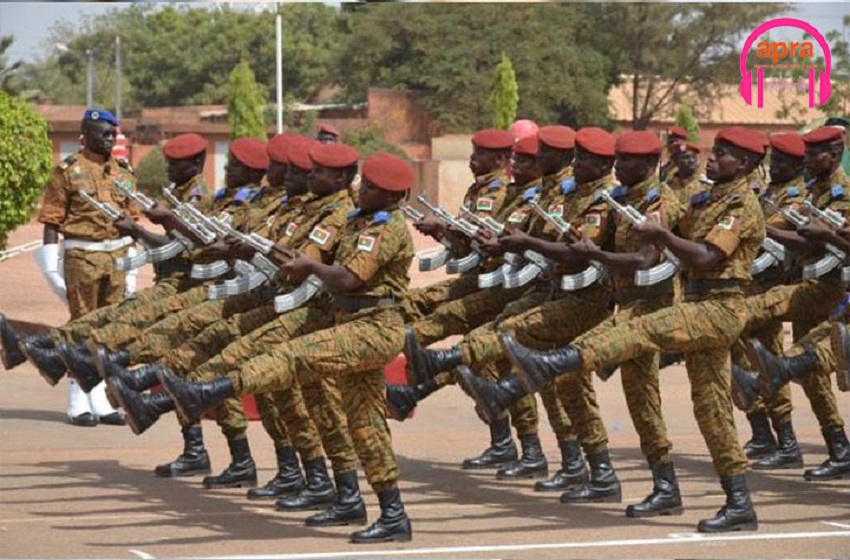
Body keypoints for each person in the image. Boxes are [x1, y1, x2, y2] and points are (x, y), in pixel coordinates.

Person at [118, 151, 417, 543]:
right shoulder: (355, 219)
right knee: (365, 426)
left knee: (293, 356)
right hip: (346, 319)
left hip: (374, 326)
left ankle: (209, 391)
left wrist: (311, 267)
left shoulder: (387, 227)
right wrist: (257, 251)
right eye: (366, 183)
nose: (364, 190)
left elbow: (347, 279)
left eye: (373, 188)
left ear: (393, 196)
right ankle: (386, 513)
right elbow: (306, 255)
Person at [485, 126, 766, 532]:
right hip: (693, 301)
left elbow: (705, 257)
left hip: (721, 306)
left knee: (640, 330)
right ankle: (724, 501)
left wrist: (661, 235)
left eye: (723, 153)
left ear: (745, 163)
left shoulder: (741, 204)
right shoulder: (703, 199)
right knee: (710, 410)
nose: (712, 157)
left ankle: (551, 364)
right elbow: (670, 240)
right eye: (716, 150)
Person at [33, 107, 138, 427]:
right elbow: (52, 222)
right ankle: (78, 399)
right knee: (81, 328)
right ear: (86, 135)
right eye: (104, 134)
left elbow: (132, 222)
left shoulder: (123, 172)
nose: (110, 139)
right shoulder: (67, 171)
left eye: (113, 134)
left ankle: (102, 399)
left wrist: (133, 266)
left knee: (111, 331)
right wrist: (51, 268)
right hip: (82, 257)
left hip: (117, 258)